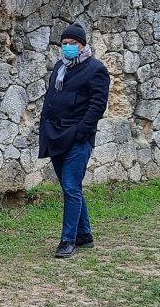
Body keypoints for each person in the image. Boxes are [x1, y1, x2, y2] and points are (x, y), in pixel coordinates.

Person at [37, 22, 111, 258]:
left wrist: (81, 132)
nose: (67, 47)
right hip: (55, 135)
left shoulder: (95, 69)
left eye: (72, 44)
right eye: (64, 44)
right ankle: (85, 234)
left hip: (77, 138)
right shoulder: (60, 67)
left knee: (70, 187)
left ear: (83, 45)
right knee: (71, 187)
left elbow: (97, 105)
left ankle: (67, 240)